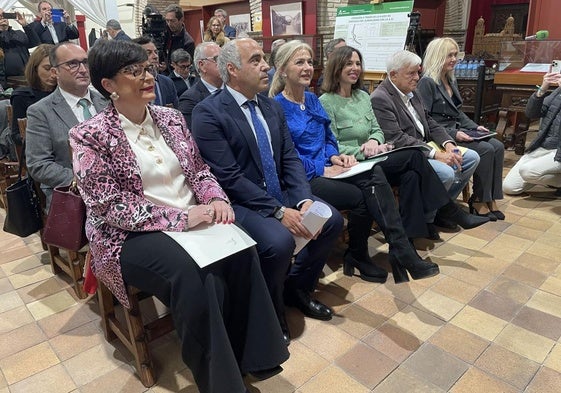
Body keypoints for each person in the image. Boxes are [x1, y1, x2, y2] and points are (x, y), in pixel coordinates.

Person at [69, 39, 288, 393]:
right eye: (133, 71)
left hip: (192, 216)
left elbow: (200, 170)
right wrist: (181, 218)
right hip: (129, 235)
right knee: (194, 276)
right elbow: (109, 206)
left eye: (147, 68)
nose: (146, 76)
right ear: (108, 85)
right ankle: (222, 384)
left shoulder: (170, 118)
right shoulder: (89, 135)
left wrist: (216, 199)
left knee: (242, 249)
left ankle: (256, 357)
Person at [191, 38, 344, 344]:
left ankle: (296, 289)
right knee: (278, 242)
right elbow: (230, 177)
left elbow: (289, 158)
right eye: (257, 60)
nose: (266, 66)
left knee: (330, 221)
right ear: (232, 70)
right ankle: (271, 309)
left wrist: (302, 199)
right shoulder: (208, 113)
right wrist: (277, 211)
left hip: (281, 192)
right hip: (241, 201)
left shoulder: (270, 107)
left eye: (265, 59)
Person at [270, 40, 445, 283]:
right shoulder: (276, 107)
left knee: (376, 176)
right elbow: (287, 156)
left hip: (330, 168)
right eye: (300, 62)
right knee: (370, 185)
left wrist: (335, 156)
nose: (308, 67)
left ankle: (375, 252)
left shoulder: (311, 100)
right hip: (305, 178)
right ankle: (388, 251)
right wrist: (323, 166)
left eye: (310, 62)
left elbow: (329, 137)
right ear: (282, 70)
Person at [318, 44, 488, 241]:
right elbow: (331, 143)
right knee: (416, 158)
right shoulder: (326, 102)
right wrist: (363, 150)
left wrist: (374, 141)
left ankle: (413, 234)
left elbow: (377, 130)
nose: (355, 67)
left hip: (378, 155)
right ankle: (446, 211)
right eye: (349, 63)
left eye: (358, 63)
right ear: (336, 67)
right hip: (355, 162)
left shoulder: (362, 96)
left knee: (412, 175)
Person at [371, 50, 481, 228]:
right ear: (393, 75)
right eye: (411, 73)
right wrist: (436, 154)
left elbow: (429, 121)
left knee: (471, 158)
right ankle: (428, 220)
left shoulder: (411, 91)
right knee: (446, 173)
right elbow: (397, 138)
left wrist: (449, 144)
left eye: (418, 72)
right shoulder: (381, 99)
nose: (417, 77)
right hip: (409, 153)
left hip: (427, 145)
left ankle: (439, 211)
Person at [417, 37, 505, 220]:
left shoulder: (450, 79)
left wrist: (475, 127)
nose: (454, 59)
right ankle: (479, 199)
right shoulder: (427, 83)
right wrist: (453, 134)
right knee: (486, 150)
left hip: (457, 130)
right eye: (449, 55)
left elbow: (459, 113)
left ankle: (491, 198)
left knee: (498, 146)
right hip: (441, 136)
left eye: (456, 55)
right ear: (438, 56)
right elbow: (426, 119)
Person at [25, 42, 107, 210]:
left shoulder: (107, 101)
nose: (83, 70)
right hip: (72, 195)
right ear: (55, 72)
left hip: (118, 190)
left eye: (85, 62)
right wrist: (87, 181)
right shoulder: (41, 111)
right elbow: (38, 164)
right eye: (72, 64)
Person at [503, 70, 561, 195]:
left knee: (527, 171)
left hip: (558, 152)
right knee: (509, 187)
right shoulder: (557, 92)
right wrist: (543, 89)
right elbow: (531, 113)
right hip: (543, 147)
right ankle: (545, 174)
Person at [9, 44, 56, 146]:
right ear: (35, 69)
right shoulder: (22, 96)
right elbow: (16, 135)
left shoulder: (63, 92)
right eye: (47, 69)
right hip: (39, 149)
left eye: (56, 69)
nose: (53, 74)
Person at [178, 42, 222, 129]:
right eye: (217, 59)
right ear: (202, 65)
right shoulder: (189, 100)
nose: (224, 63)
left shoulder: (235, 89)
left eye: (224, 58)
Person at [133, 36, 178, 108]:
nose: (155, 56)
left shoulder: (167, 82)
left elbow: (176, 109)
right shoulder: (132, 83)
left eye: (156, 52)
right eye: (149, 53)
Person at [0, 9, 41, 86]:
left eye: (4, 15)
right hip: (6, 80)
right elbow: (4, 40)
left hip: (25, 76)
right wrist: (2, 29)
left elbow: (35, 42)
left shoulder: (18, 33)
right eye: (0, 16)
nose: (3, 18)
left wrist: (25, 25)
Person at [162, 4, 195, 73]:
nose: (169, 24)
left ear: (181, 20)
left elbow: (187, 68)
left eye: (172, 21)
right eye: (167, 21)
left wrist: (167, 66)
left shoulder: (188, 42)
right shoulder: (163, 34)